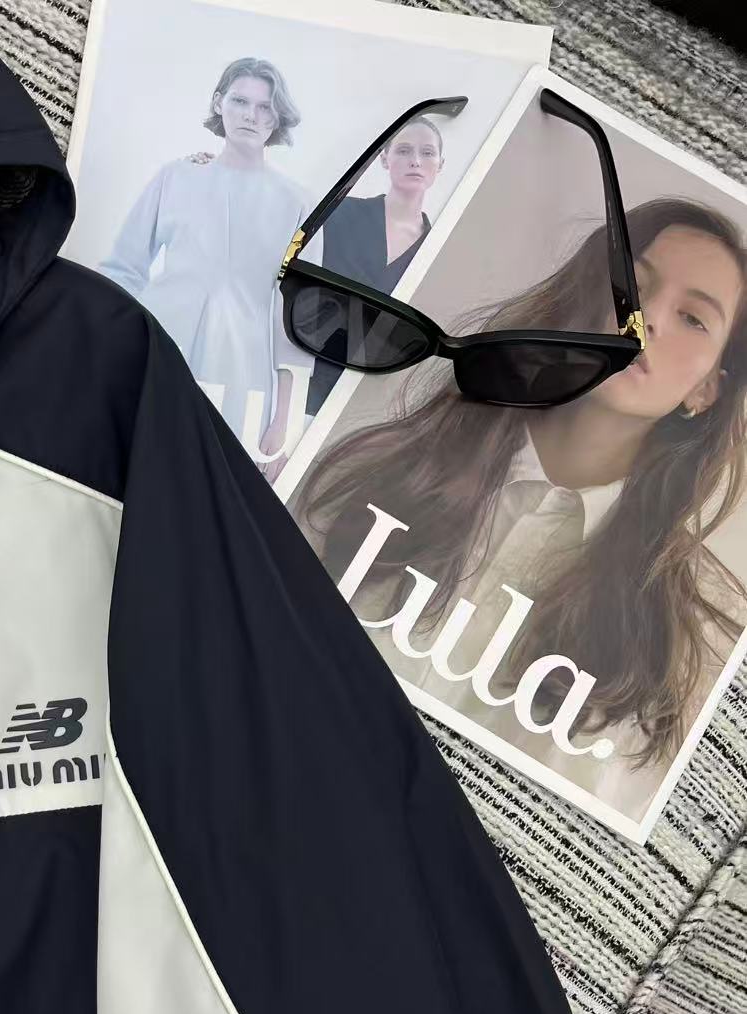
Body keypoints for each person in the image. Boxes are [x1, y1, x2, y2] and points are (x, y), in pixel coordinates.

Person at [289, 198, 747, 819]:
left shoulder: (696, 634)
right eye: (632, 285)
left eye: (693, 318)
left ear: (708, 388)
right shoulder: (381, 467)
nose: (643, 319)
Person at [99, 56, 310, 449]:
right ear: (218, 102)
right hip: (156, 352)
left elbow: (298, 323)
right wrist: (111, 348)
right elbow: (123, 270)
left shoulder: (297, 204)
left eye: (265, 107)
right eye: (239, 101)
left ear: (277, 117)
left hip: (243, 377)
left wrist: (284, 424)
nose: (250, 115)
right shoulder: (175, 176)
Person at [259, 115, 446, 482]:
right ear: (384, 158)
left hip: (361, 419)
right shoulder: (341, 215)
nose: (415, 161)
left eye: (427, 153)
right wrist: (283, 419)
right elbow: (287, 299)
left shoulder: (437, 251)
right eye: (404, 150)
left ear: (440, 164)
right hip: (298, 393)